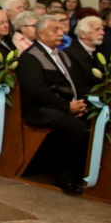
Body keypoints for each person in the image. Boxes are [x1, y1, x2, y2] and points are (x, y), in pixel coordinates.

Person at [17, 15, 89, 195]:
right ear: (41, 34)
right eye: (55, 30)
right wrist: (67, 106)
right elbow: (37, 91)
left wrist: (80, 103)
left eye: (61, 29)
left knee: (96, 121)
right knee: (78, 129)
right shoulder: (30, 57)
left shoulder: (62, 54)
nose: (61, 33)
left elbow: (77, 82)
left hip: (64, 106)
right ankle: (65, 177)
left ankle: (84, 172)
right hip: (41, 109)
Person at [65, 15, 106, 91]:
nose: (102, 33)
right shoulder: (70, 53)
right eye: (97, 29)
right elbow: (78, 85)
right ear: (83, 34)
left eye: (102, 29)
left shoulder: (97, 53)